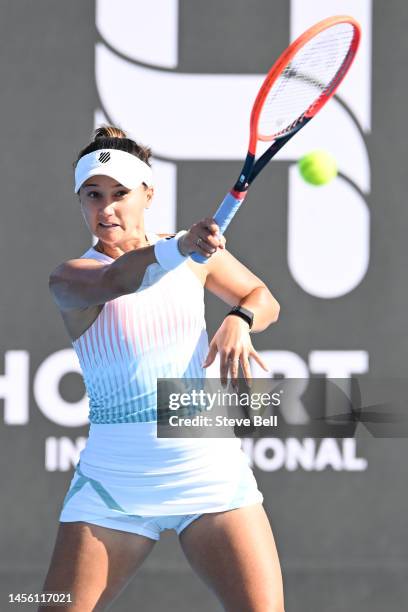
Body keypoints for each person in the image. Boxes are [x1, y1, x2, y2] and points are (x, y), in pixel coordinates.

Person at [39, 126, 284, 612]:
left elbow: (262, 298)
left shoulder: (192, 257)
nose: (106, 209)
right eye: (93, 195)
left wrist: (240, 319)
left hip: (208, 470)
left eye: (120, 194)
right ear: (80, 200)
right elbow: (119, 277)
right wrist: (181, 247)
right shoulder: (71, 278)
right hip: (114, 484)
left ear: (148, 194)